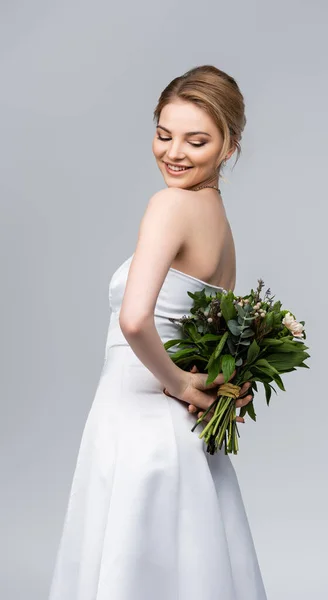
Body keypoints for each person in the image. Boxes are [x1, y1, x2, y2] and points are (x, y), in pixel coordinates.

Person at [48, 65, 268, 600]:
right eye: (163, 134)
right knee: (191, 566)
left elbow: (133, 319)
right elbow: (224, 338)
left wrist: (176, 383)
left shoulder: (170, 205)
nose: (174, 152)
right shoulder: (219, 221)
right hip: (184, 436)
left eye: (197, 140)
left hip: (139, 420)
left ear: (230, 146)